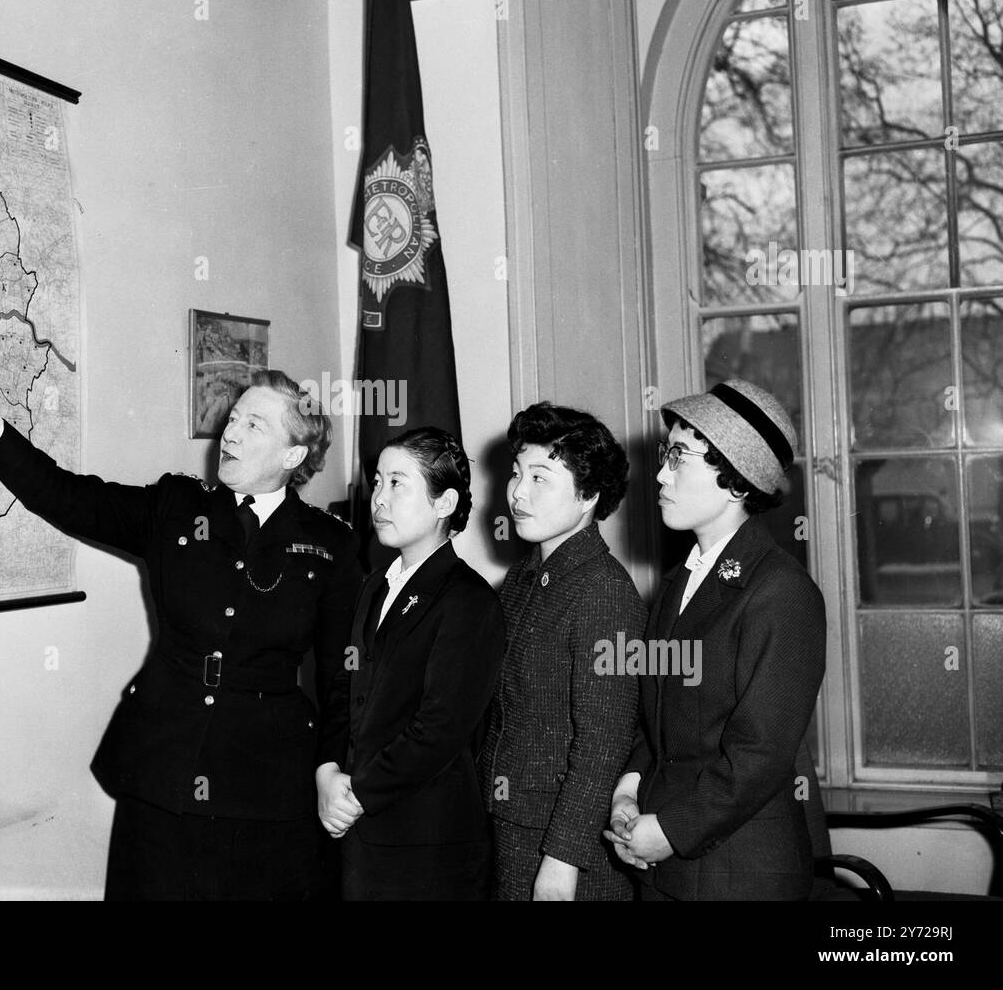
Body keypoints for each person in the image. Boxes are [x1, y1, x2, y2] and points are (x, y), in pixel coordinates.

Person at [0, 349, 361, 900]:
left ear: (292, 454)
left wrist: (331, 766)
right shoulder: (178, 508)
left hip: (267, 782)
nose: (229, 432)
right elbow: (70, 497)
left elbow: (341, 679)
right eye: (233, 416)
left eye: (253, 424)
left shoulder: (331, 545)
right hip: (162, 766)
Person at [605, 378, 826, 901]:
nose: (661, 472)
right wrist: (628, 790)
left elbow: (761, 754)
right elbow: (654, 719)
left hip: (740, 873)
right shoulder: (681, 581)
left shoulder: (781, 592)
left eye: (679, 456)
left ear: (737, 479)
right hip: (663, 864)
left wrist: (670, 832)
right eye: (666, 453)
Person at [315, 427, 505, 901]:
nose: (379, 498)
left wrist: (355, 796)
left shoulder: (468, 600)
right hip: (358, 836)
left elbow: (439, 728)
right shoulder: (375, 585)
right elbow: (343, 688)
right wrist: (326, 770)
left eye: (397, 483)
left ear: (444, 504)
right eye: (377, 482)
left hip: (426, 847)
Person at [480, 403, 646, 901]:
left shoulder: (604, 592)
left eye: (541, 477)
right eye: (516, 473)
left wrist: (562, 860)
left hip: (563, 847)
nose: (518, 491)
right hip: (508, 823)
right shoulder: (523, 578)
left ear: (588, 496)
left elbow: (603, 745)